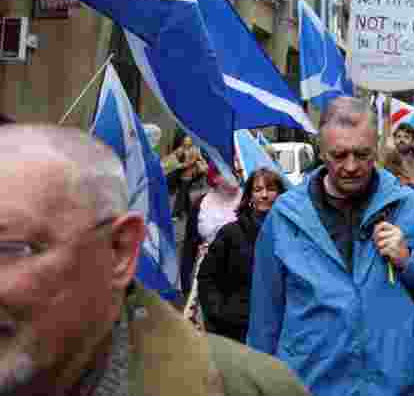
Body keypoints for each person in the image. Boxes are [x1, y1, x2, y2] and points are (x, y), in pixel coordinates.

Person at [0, 124, 309, 395]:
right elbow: (202, 271)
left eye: (9, 249)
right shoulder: (228, 230)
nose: (264, 196)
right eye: (258, 189)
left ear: (119, 251)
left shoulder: (250, 387)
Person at [248, 97, 414, 395]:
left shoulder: (407, 204)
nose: (351, 166)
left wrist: (409, 261)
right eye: (339, 155)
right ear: (321, 151)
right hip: (309, 386)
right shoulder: (284, 216)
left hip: (389, 386)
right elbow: (264, 317)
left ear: (377, 148)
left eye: (362, 154)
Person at [198, 167, 288, 343]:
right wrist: (220, 314)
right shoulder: (231, 234)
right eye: (258, 189)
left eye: (270, 189)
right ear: (249, 195)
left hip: (280, 328)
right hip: (237, 330)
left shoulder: (291, 234)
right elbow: (207, 278)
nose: (264, 195)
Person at [180, 159, 243, 320]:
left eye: (238, 171)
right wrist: (186, 283)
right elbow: (189, 246)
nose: (237, 175)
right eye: (231, 172)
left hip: (240, 275)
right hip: (207, 276)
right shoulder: (201, 204)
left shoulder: (248, 201)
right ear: (215, 177)